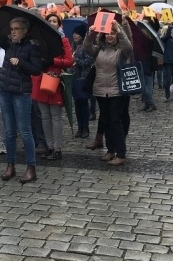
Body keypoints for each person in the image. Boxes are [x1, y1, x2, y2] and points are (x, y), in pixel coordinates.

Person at [0, 16, 42, 183]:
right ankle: (10, 165)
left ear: (24, 31)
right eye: (11, 29)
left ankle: (30, 168)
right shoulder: (9, 44)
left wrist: (20, 62)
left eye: (16, 29)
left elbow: (36, 70)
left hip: (21, 93)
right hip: (5, 90)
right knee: (9, 131)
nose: (12, 32)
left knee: (25, 131)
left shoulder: (31, 47)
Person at [82, 16, 133, 166]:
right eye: (108, 33)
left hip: (116, 91)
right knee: (107, 122)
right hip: (100, 90)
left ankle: (121, 153)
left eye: (113, 33)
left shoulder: (122, 51)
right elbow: (87, 49)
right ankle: (110, 150)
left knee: (115, 121)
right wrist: (90, 34)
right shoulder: (100, 49)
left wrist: (120, 29)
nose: (110, 36)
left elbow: (128, 46)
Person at [31, 13, 73, 161]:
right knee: (44, 117)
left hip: (54, 80)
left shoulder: (63, 40)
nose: (52, 23)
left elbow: (69, 61)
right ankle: (49, 146)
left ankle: (57, 148)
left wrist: (53, 60)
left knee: (56, 117)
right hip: (40, 80)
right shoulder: (38, 41)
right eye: (50, 21)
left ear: (59, 24)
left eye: (55, 21)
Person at [71, 23, 93, 139]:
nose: (74, 36)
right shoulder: (72, 46)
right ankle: (79, 127)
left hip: (83, 78)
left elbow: (88, 62)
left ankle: (85, 127)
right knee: (77, 104)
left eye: (77, 34)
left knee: (84, 104)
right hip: (74, 78)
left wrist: (76, 60)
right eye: (74, 33)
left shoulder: (86, 46)